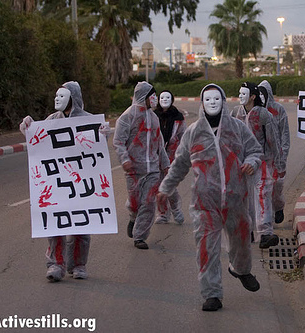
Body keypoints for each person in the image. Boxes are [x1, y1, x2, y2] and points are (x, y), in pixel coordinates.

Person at [156, 84, 263, 311]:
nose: (213, 102)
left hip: (236, 199)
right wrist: (165, 189)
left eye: (217, 98)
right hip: (205, 202)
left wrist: (252, 162)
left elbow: (255, 150)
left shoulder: (238, 128)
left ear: (224, 101)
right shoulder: (193, 132)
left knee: (242, 240)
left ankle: (241, 270)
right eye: (208, 99)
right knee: (207, 248)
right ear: (202, 103)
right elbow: (179, 164)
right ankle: (212, 294)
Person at [19, 81, 110, 282]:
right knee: (55, 224)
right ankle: (55, 264)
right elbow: (39, 140)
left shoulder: (88, 120)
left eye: (62, 96)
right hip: (57, 181)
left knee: (81, 225)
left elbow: (96, 146)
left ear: (73, 98)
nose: (57, 99)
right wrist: (27, 127)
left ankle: (78, 264)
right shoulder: (52, 119)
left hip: (81, 181)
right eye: (56, 96)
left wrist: (102, 134)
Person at [113, 81, 170, 250]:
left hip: (152, 169)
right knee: (135, 203)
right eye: (152, 95)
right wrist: (124, 160)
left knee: (149, 202)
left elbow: (160, 144)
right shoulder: (127, 117)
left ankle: (140, 236)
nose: (155, 99)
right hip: (133, 170)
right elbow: (118, 141)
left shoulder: (154, 118)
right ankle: (133, 216)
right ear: (143, 96)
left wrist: (165, 165)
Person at [232, 82, 283, 248]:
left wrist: (277, 162)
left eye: (243, 93)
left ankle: (265, 233)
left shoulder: (263, 115)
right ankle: (247, 230)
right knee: (244, 198)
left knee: (262, 195)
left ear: (253, 96)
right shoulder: (235, 113)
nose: (240, 96)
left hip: (261, 162)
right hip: (241, 163)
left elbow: (273, 140)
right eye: (239, 93)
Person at [258, 80, 290, 224]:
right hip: (261, 157)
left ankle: (278, 208)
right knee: (263, 189)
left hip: (277, 157)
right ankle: (266, 220)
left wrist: (282, 157)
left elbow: (285, 134)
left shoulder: (278, 110)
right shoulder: (255, 111)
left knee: (276, 188)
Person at [153, 90, 186, 225]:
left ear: (172, 100)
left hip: (172, 155)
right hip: (155, 155)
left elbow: (183, 136)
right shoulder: (153, 116)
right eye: (162, 97)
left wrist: (183, 153)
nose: (165, 99)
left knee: (169, 183)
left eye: (168, 97)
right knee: (157, 185)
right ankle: (163, 213)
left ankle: (176, 209)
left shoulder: (178, 117)